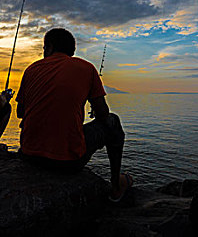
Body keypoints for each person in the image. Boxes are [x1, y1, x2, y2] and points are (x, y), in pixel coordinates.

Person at [16, 28, 132, 202]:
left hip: (28, 156)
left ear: (50, 47)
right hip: (66, 163)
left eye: (44, 48)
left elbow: (20, 113)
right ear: (72, 50)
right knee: (113, 121)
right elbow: (103, 114)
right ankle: (116, 187)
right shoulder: (86, 68)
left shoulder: (31, 69)